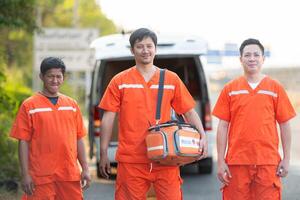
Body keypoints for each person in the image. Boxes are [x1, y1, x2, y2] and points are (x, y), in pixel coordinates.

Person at [98, 28, 207, 200]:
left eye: (149, 46)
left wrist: (202, 136)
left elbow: (189, 111)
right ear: (132, 50)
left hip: (165, 157)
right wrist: (103, 152)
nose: (145, 50)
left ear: (155, 49)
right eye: (140, 46)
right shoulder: (120, 81)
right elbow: (108, 117)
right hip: (131, 160)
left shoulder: (171, 79)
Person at [213, 38, 296, 199]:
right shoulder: (230, 89)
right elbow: (222, 126)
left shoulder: (275, 88)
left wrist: (286, 158)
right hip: (237, 162)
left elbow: (285, 124)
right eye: (247, 55)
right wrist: (221, 161)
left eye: (256, 55)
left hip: (267, 161)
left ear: (263, 59)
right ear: (240, 59)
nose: (252, 59)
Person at [10, 57, 91, 199]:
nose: (55, 80)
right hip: (41, 176)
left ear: (63, 78)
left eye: (58, 76)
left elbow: (79, 138)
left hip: (69, 175)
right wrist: (25, 174)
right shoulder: (29, 106)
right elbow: (23, 142)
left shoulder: (71, 105)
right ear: (41, 77)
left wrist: (85, 168)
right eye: (50, 76)